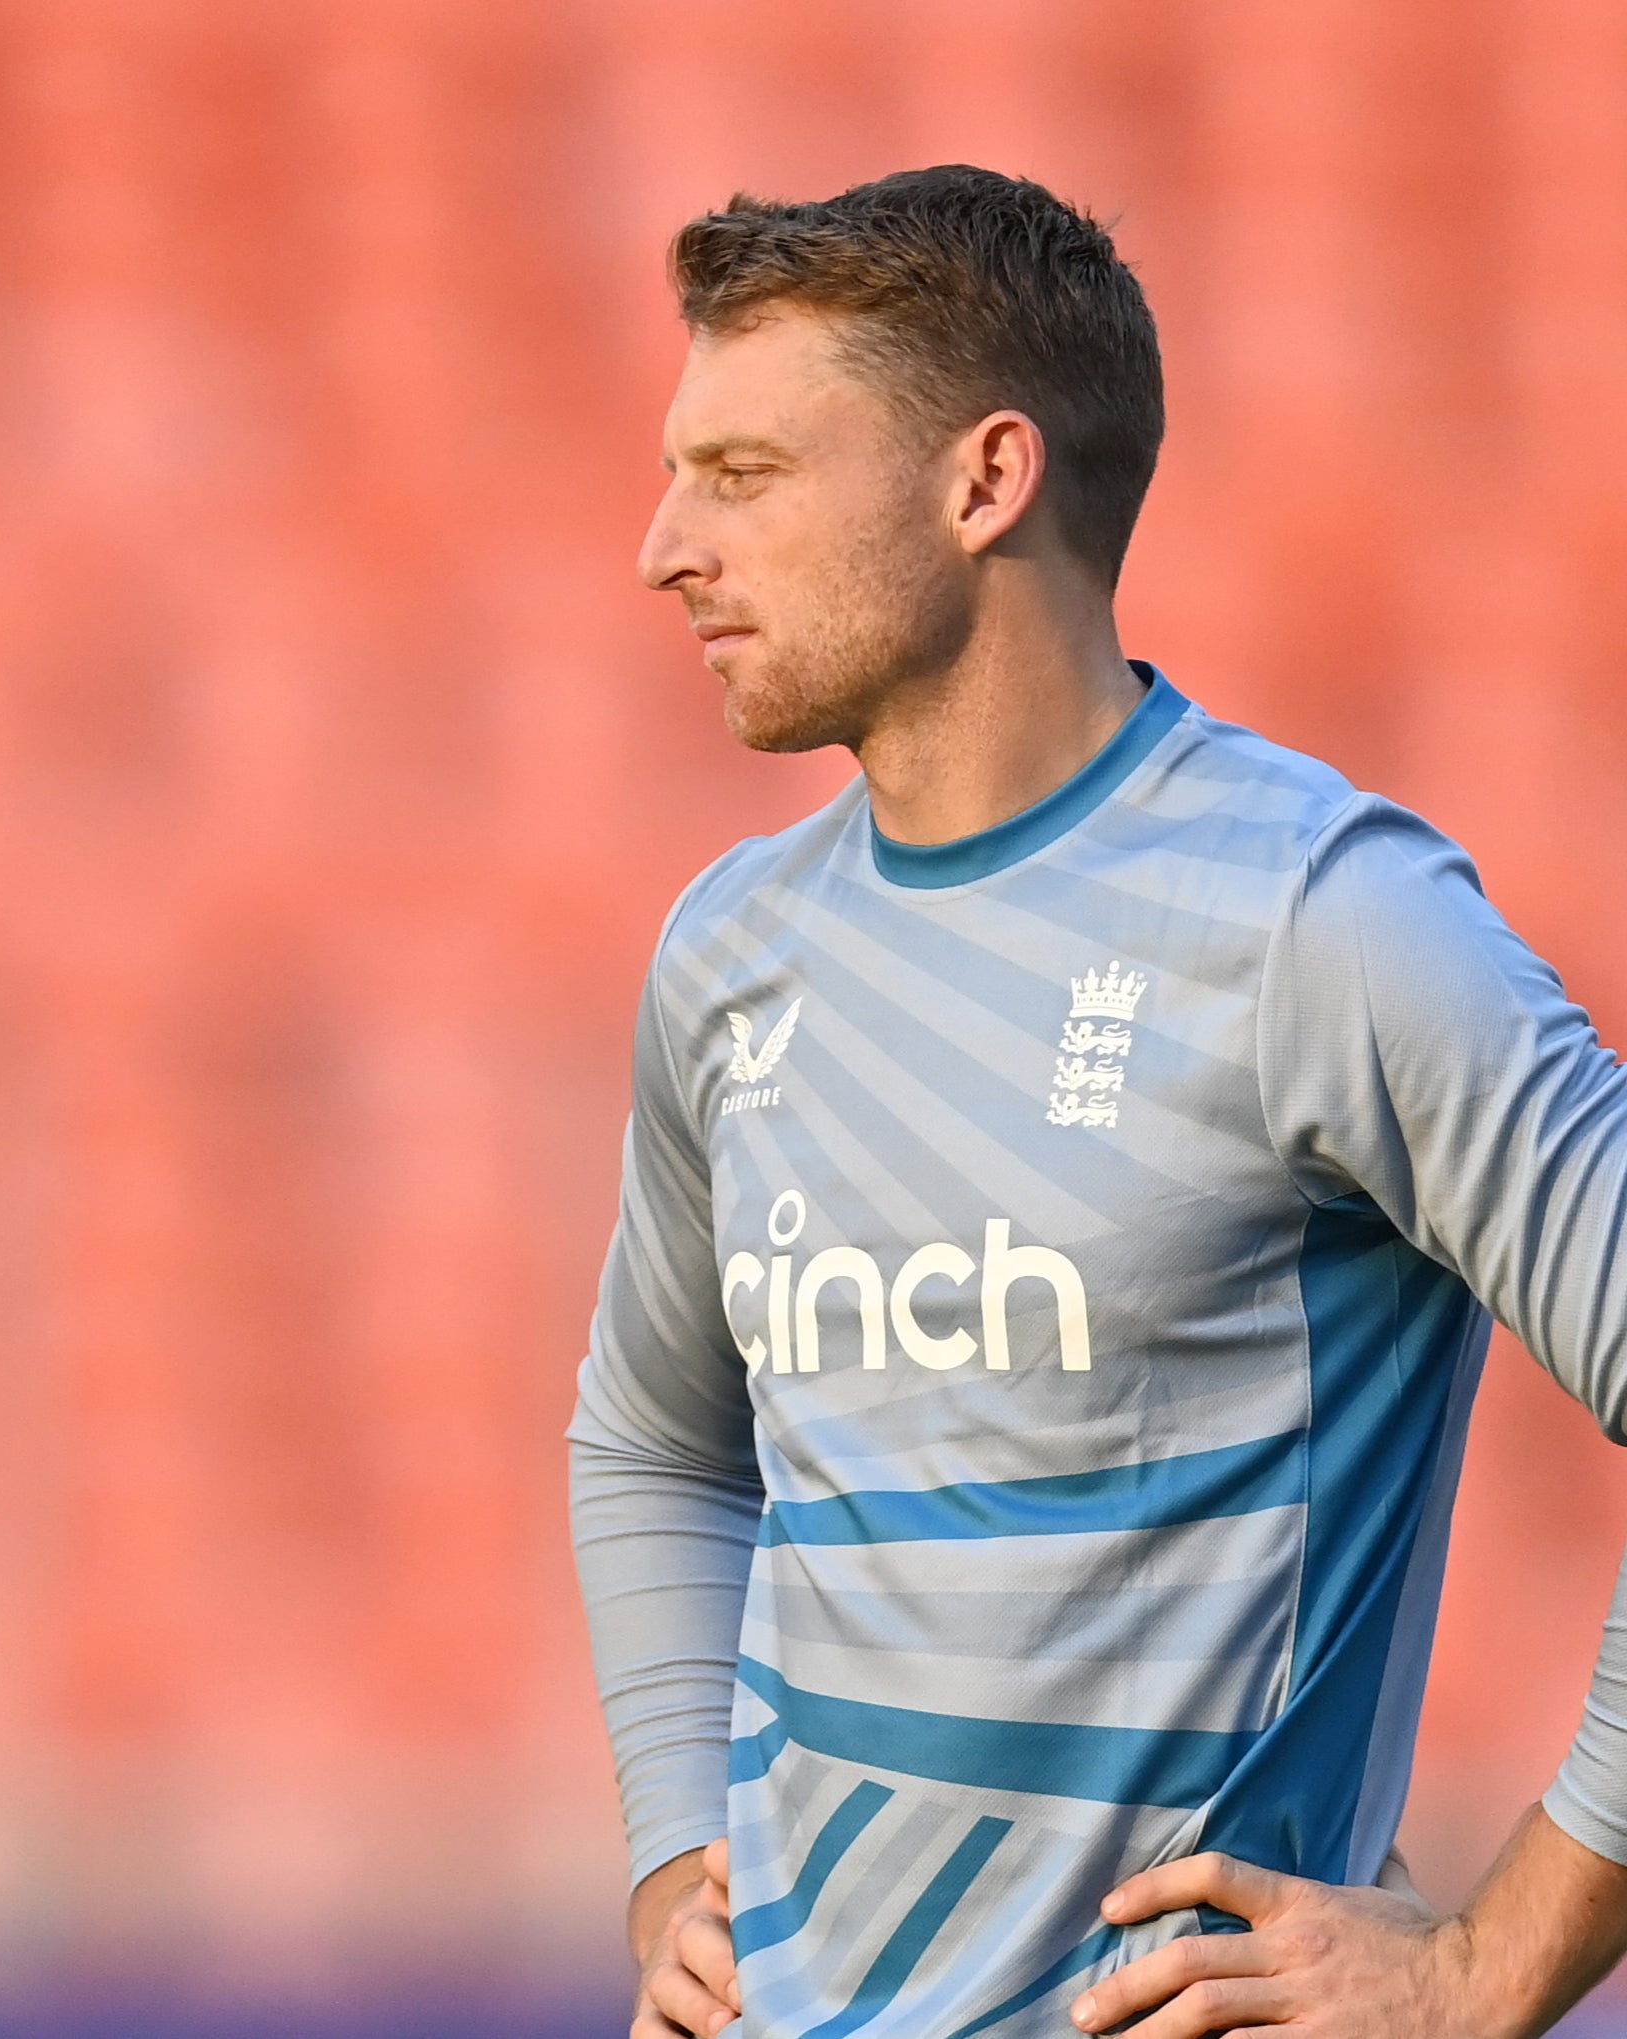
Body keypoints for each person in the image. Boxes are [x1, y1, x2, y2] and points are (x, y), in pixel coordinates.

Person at [573, 164, 1627, 2039]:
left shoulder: (1328, 920)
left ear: (986, 483)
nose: (663, 546)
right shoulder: (727, 956)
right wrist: (674, 1859)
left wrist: (1497, 1959)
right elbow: (653, 1444)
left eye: (742, 477)